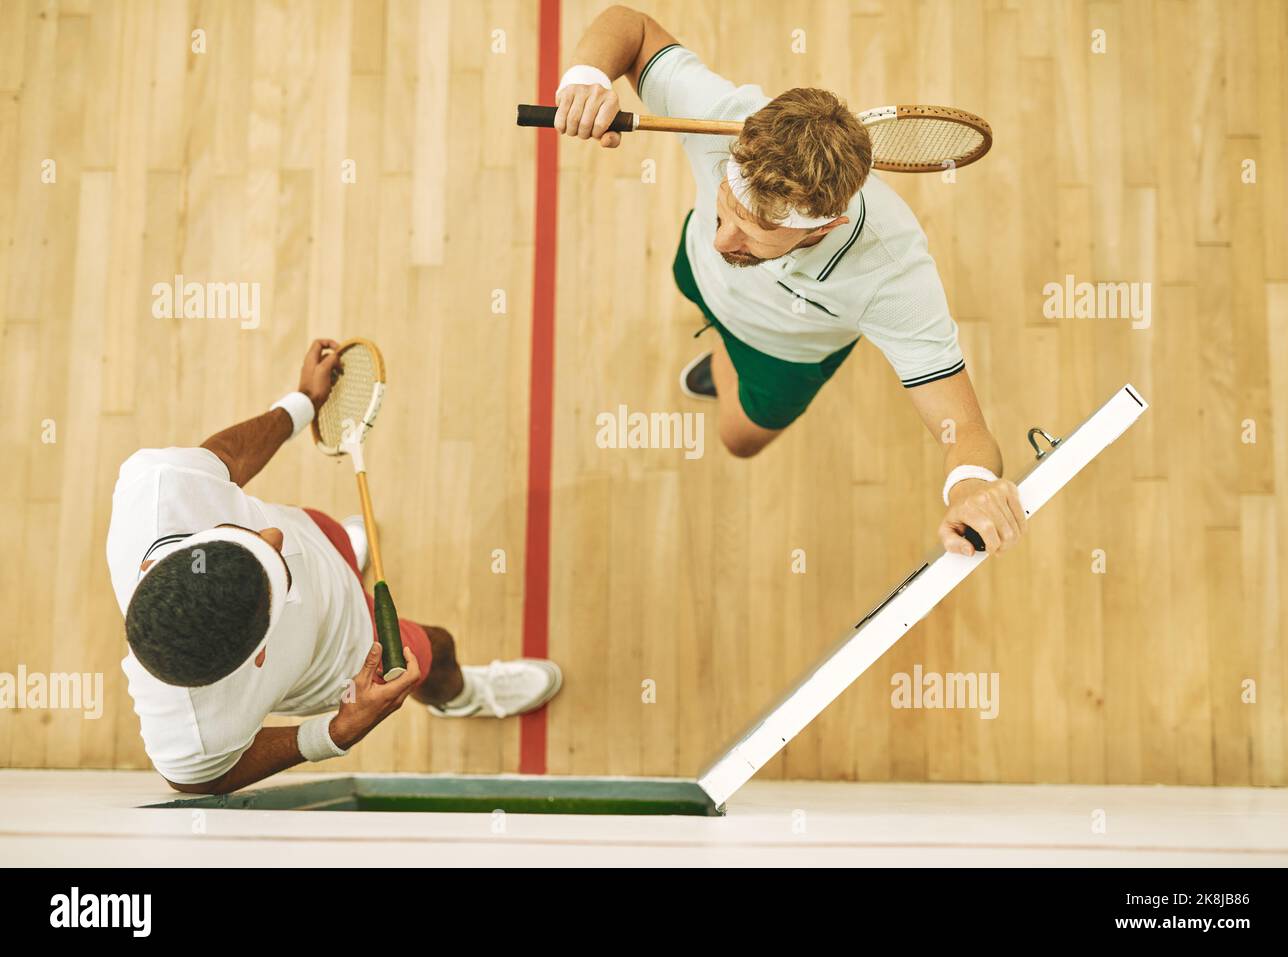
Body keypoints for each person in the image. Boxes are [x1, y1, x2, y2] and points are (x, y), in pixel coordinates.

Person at [554, 5, 1026, 556]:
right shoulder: (721, 121)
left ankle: (724, 361)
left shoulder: (892, 272)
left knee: (740, 440)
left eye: (751, 235)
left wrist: (969, 489)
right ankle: (720, 339)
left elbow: (964, 427)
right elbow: (629, 26)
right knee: (698, 273)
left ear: (826, 225)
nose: (721, 240)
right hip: (704, 284)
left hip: (783, 352)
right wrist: (586, 77)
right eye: (723, 211)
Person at [105, 339, 562, 794]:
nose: (272, 534)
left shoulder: (158, 487)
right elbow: (201, 778)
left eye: (240, 534)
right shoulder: (190, 734)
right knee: (437, 648)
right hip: (346, 651)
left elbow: (227, 460)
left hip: (318, 539)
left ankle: (348, 555)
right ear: (260, 649)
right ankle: (462, 698)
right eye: (276, 568)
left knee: (332, 536)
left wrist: (301, 402)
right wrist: (335, 733)